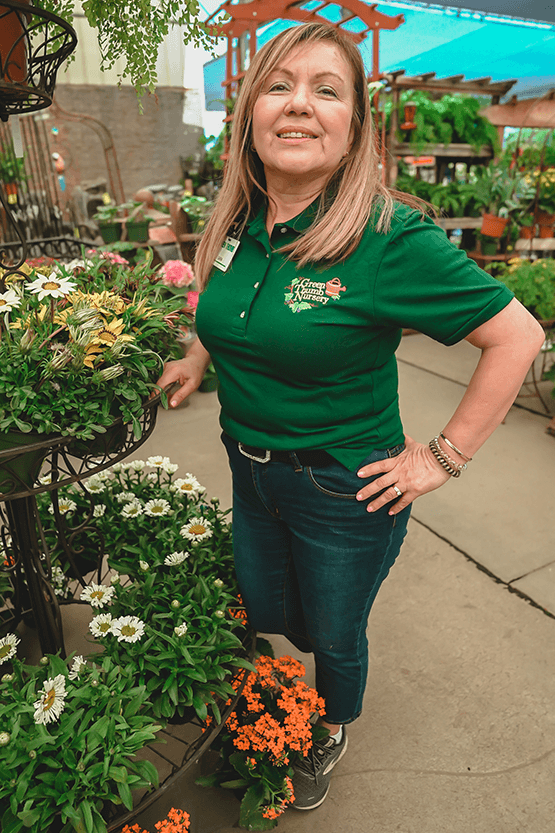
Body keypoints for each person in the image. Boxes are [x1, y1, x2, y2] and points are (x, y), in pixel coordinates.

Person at [157, 22, 545, 811]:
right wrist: (199, 356)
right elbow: (228, 308)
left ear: (354, 127)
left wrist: (440, 457)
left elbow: (517, 336)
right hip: (250, 465)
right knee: (268, 607)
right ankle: (284, 700)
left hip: (342, 488)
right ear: (249, 118)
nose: (298, 105)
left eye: (325, 90)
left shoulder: (387, 238)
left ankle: (330, 721)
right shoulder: (236, 218)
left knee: (332, 632)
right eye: (278, 86)